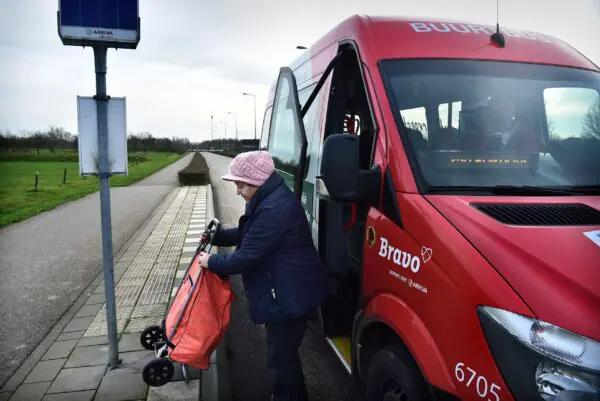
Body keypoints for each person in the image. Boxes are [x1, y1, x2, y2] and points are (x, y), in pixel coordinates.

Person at [197, 150, 327, 401]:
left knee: (280, 357)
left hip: (291, 295)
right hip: (291, 290)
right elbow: (250, 232)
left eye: (240, 185)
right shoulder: (269, 199)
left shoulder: (273, 210)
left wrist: (210, 261)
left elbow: (247, 256)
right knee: (284, 353)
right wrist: (220, 236)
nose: (237, 191)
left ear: (256, 181)